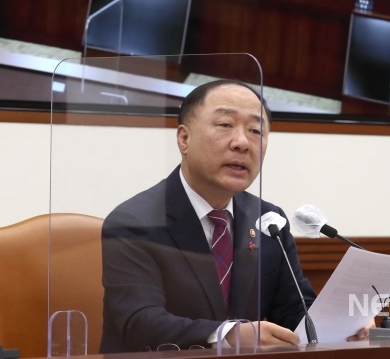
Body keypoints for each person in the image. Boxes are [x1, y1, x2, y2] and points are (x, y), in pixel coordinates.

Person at [100, 81, 372, 351]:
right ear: (184, 138)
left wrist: (345, 325)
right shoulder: (136, 221)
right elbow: (140, 323)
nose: (242, 142)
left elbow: (295, 312)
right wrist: (227, 336)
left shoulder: (268, 220)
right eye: (224, 125)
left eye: (256, 130)